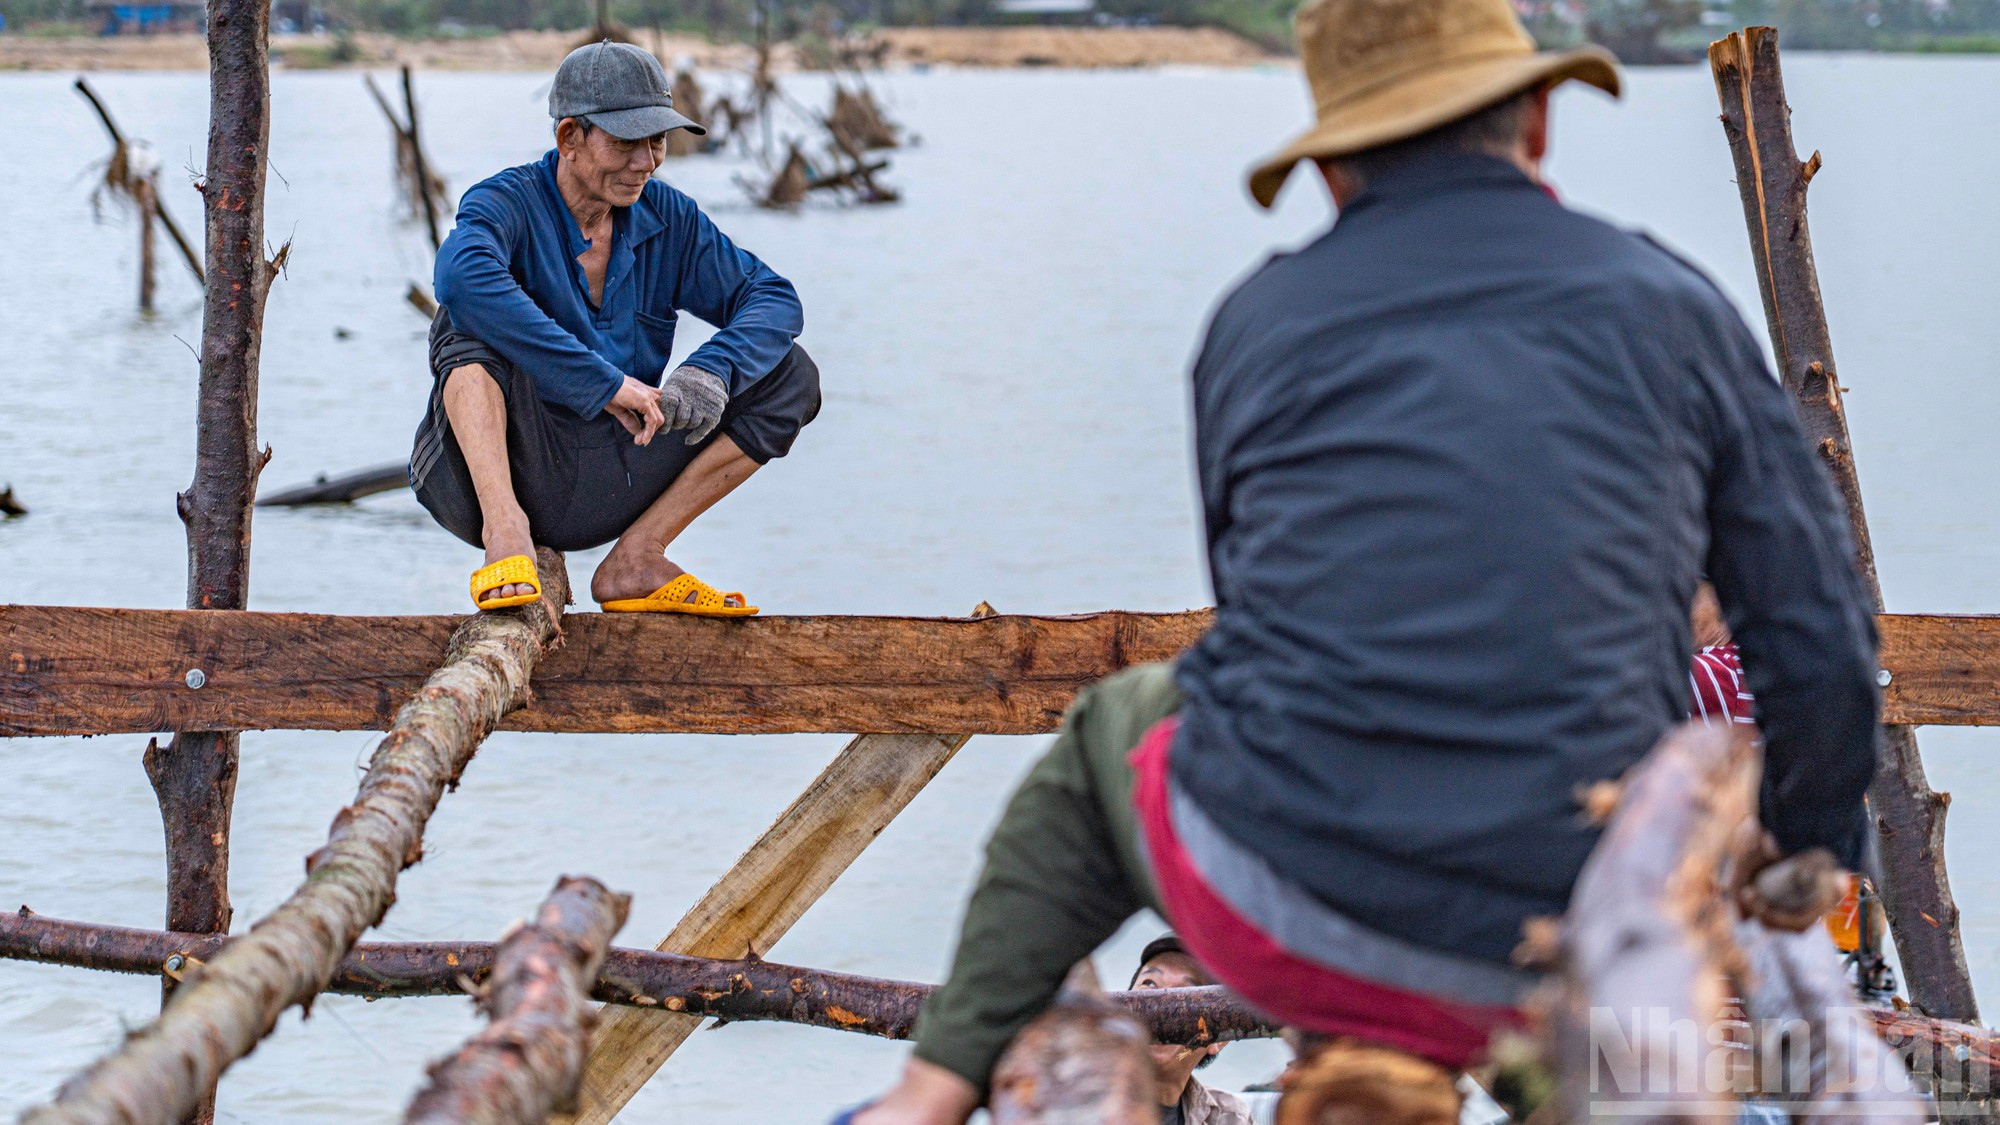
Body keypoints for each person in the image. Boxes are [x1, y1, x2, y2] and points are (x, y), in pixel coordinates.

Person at [845, 0, 1881, 1120]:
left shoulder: (1255, 321)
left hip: (1287, 914)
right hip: (1572, 937)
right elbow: (1818, 644)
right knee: (1600, 998)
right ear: (1535, 121)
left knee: (1117, 725)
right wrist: (1808, 857)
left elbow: (1260, 620)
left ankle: (926, 1091)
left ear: (1332, 168)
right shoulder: (1670, 307)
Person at [409, 40, 818, 614]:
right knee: (468, 324)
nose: (646, 161)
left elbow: (772, 296)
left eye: (657, 142)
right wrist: (601, 383)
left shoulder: (669, 216)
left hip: (607, 477)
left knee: (791, 374)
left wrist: (711, 368)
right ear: (569, 137)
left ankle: (638, 557)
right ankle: (506, 535)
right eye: (627, 142)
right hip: (481, 486)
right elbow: (459, 277)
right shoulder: (507, 201)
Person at [1129, 934, 1254, 1125]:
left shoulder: (1230, 1118)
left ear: (1218, 1039)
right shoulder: (1072, 1098)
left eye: (1186, 995)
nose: (1160, 1007)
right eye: (1149, 984)